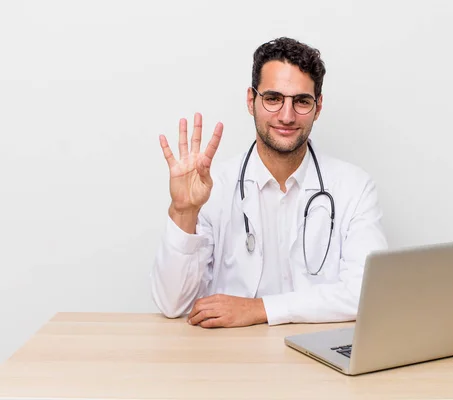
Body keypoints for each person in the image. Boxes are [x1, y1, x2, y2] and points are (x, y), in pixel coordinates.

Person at [151, 37, 388, 328]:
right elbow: (173, 304)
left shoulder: (354, 187)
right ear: (251, 101)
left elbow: (367, 293)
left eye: (301, 101)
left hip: (320, 362)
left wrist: (260, 309)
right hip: (231, 361)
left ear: (319, 106)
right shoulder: (213, 187)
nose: (286, 116)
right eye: (273, 98)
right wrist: (183, 212)